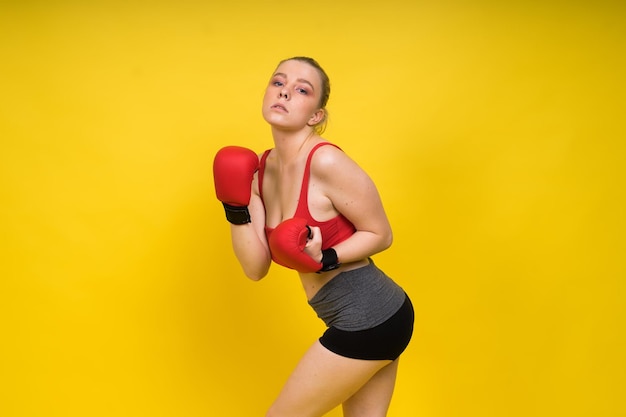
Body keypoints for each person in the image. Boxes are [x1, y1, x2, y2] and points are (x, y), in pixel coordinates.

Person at [213, 56, 414, 417]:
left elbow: (381, 234)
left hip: (370, 315)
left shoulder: (326, 163)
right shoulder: (259, 173)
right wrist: (235, 208)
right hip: (360, 317)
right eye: (278, 83)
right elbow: (255, 268)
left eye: (301, 90)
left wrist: (327, 257)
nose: (285, 92)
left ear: (315, 115)